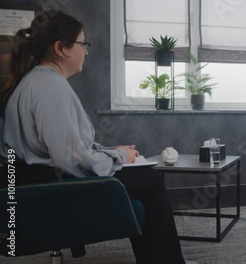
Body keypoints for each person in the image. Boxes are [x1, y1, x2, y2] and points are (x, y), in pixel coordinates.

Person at [0, 11, 195, 264]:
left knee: (143, 179)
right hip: (52, 191)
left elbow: (57, 148)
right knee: (151, 180)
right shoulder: (51, 87)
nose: (87, 52)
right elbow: (69, 158)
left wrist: (108, 151)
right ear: (61, 48)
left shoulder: (33, 81)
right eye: (83, 44)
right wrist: (118, 156)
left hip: (35, 187)